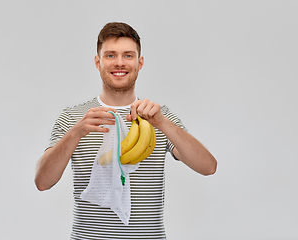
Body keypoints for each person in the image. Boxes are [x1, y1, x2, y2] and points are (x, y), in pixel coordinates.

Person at [35, 22, 217, 239]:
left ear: (140, 63)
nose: (119, 63)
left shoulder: (157, 116)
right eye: (110, 55)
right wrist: (75, 133)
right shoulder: (74, 118)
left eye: (128, 55)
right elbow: (42, 182)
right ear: (97, 62)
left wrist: (162, 122)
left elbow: (208, 167)